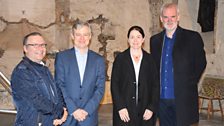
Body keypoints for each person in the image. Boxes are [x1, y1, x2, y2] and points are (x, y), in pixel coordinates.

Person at [150, 3, 207, 126]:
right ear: (161, 19)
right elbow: (154, 68)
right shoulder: (155, 41)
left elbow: (201, 63)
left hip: (182, 99)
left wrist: (188, 82)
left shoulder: (192, 37)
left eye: (173, 16)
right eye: (166, 17)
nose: (169, 20)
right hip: (162, 100)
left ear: (178, 17)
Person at [54, 21, 106, 126]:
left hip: (89, 117)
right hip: (67, 116)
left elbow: (100, 89)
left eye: (85, 35)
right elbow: (59, 85)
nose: (82, 38)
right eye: (78, 34)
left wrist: (86, 110)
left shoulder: (98, 60)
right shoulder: (62, 57)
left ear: (90, 36)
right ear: (72, 36)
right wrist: (73, 109)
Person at [11, 32, 67, 126]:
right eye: (35, 45)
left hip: (49, 121)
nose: (40, 48)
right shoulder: (22, 72)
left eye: (42, 45)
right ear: (25, 48)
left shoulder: (43, 68)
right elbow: (37, 101)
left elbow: (56, 91)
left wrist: (63, 109)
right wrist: (59, 113)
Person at [111, 26, 159, 126]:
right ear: (128, 40)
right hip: (125, 112)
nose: (135, 40)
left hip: (146, 111)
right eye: (132, 37)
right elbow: (114, 85)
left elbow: (156, 86)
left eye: (138, 37)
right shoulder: (120, 59)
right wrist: (120, 107)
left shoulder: (150, 60)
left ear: (143, 39)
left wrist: (151, 107)